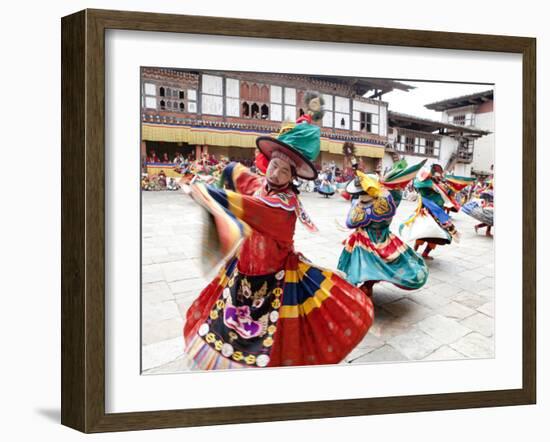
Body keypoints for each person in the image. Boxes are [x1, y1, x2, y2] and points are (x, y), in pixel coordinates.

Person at [183, 92, 374, 370]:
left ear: (293, 178)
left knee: (275, 337)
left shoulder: (282, 206)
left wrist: (205, 193)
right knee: (226, 328)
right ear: (267, 163)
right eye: (274, 166)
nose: (276, 174)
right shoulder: (263, 186)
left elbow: (250, 207)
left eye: (285, 171)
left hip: (274, 279)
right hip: (243, 272)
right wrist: (222, 174)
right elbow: (239, 174)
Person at [337, 160, 428, 298]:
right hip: (379, 239)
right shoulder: (386, 200)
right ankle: (367, 287)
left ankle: (366, 288)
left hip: (367, 240)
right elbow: (395, 195)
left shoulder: (364, 203)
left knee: (366, 265)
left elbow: (352, 221)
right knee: (371, 265)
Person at [399, 164, 460, 260]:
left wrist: (452, 189)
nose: (438, 175)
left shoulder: (440, 185)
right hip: (426, 212)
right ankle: (414, 251)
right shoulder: (424, 183)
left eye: (439, 173)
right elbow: (418, 184)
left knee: (437, 236)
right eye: (436, 172)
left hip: (438, 215)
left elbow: (448, 194)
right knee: (421, 234)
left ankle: (425, 253)